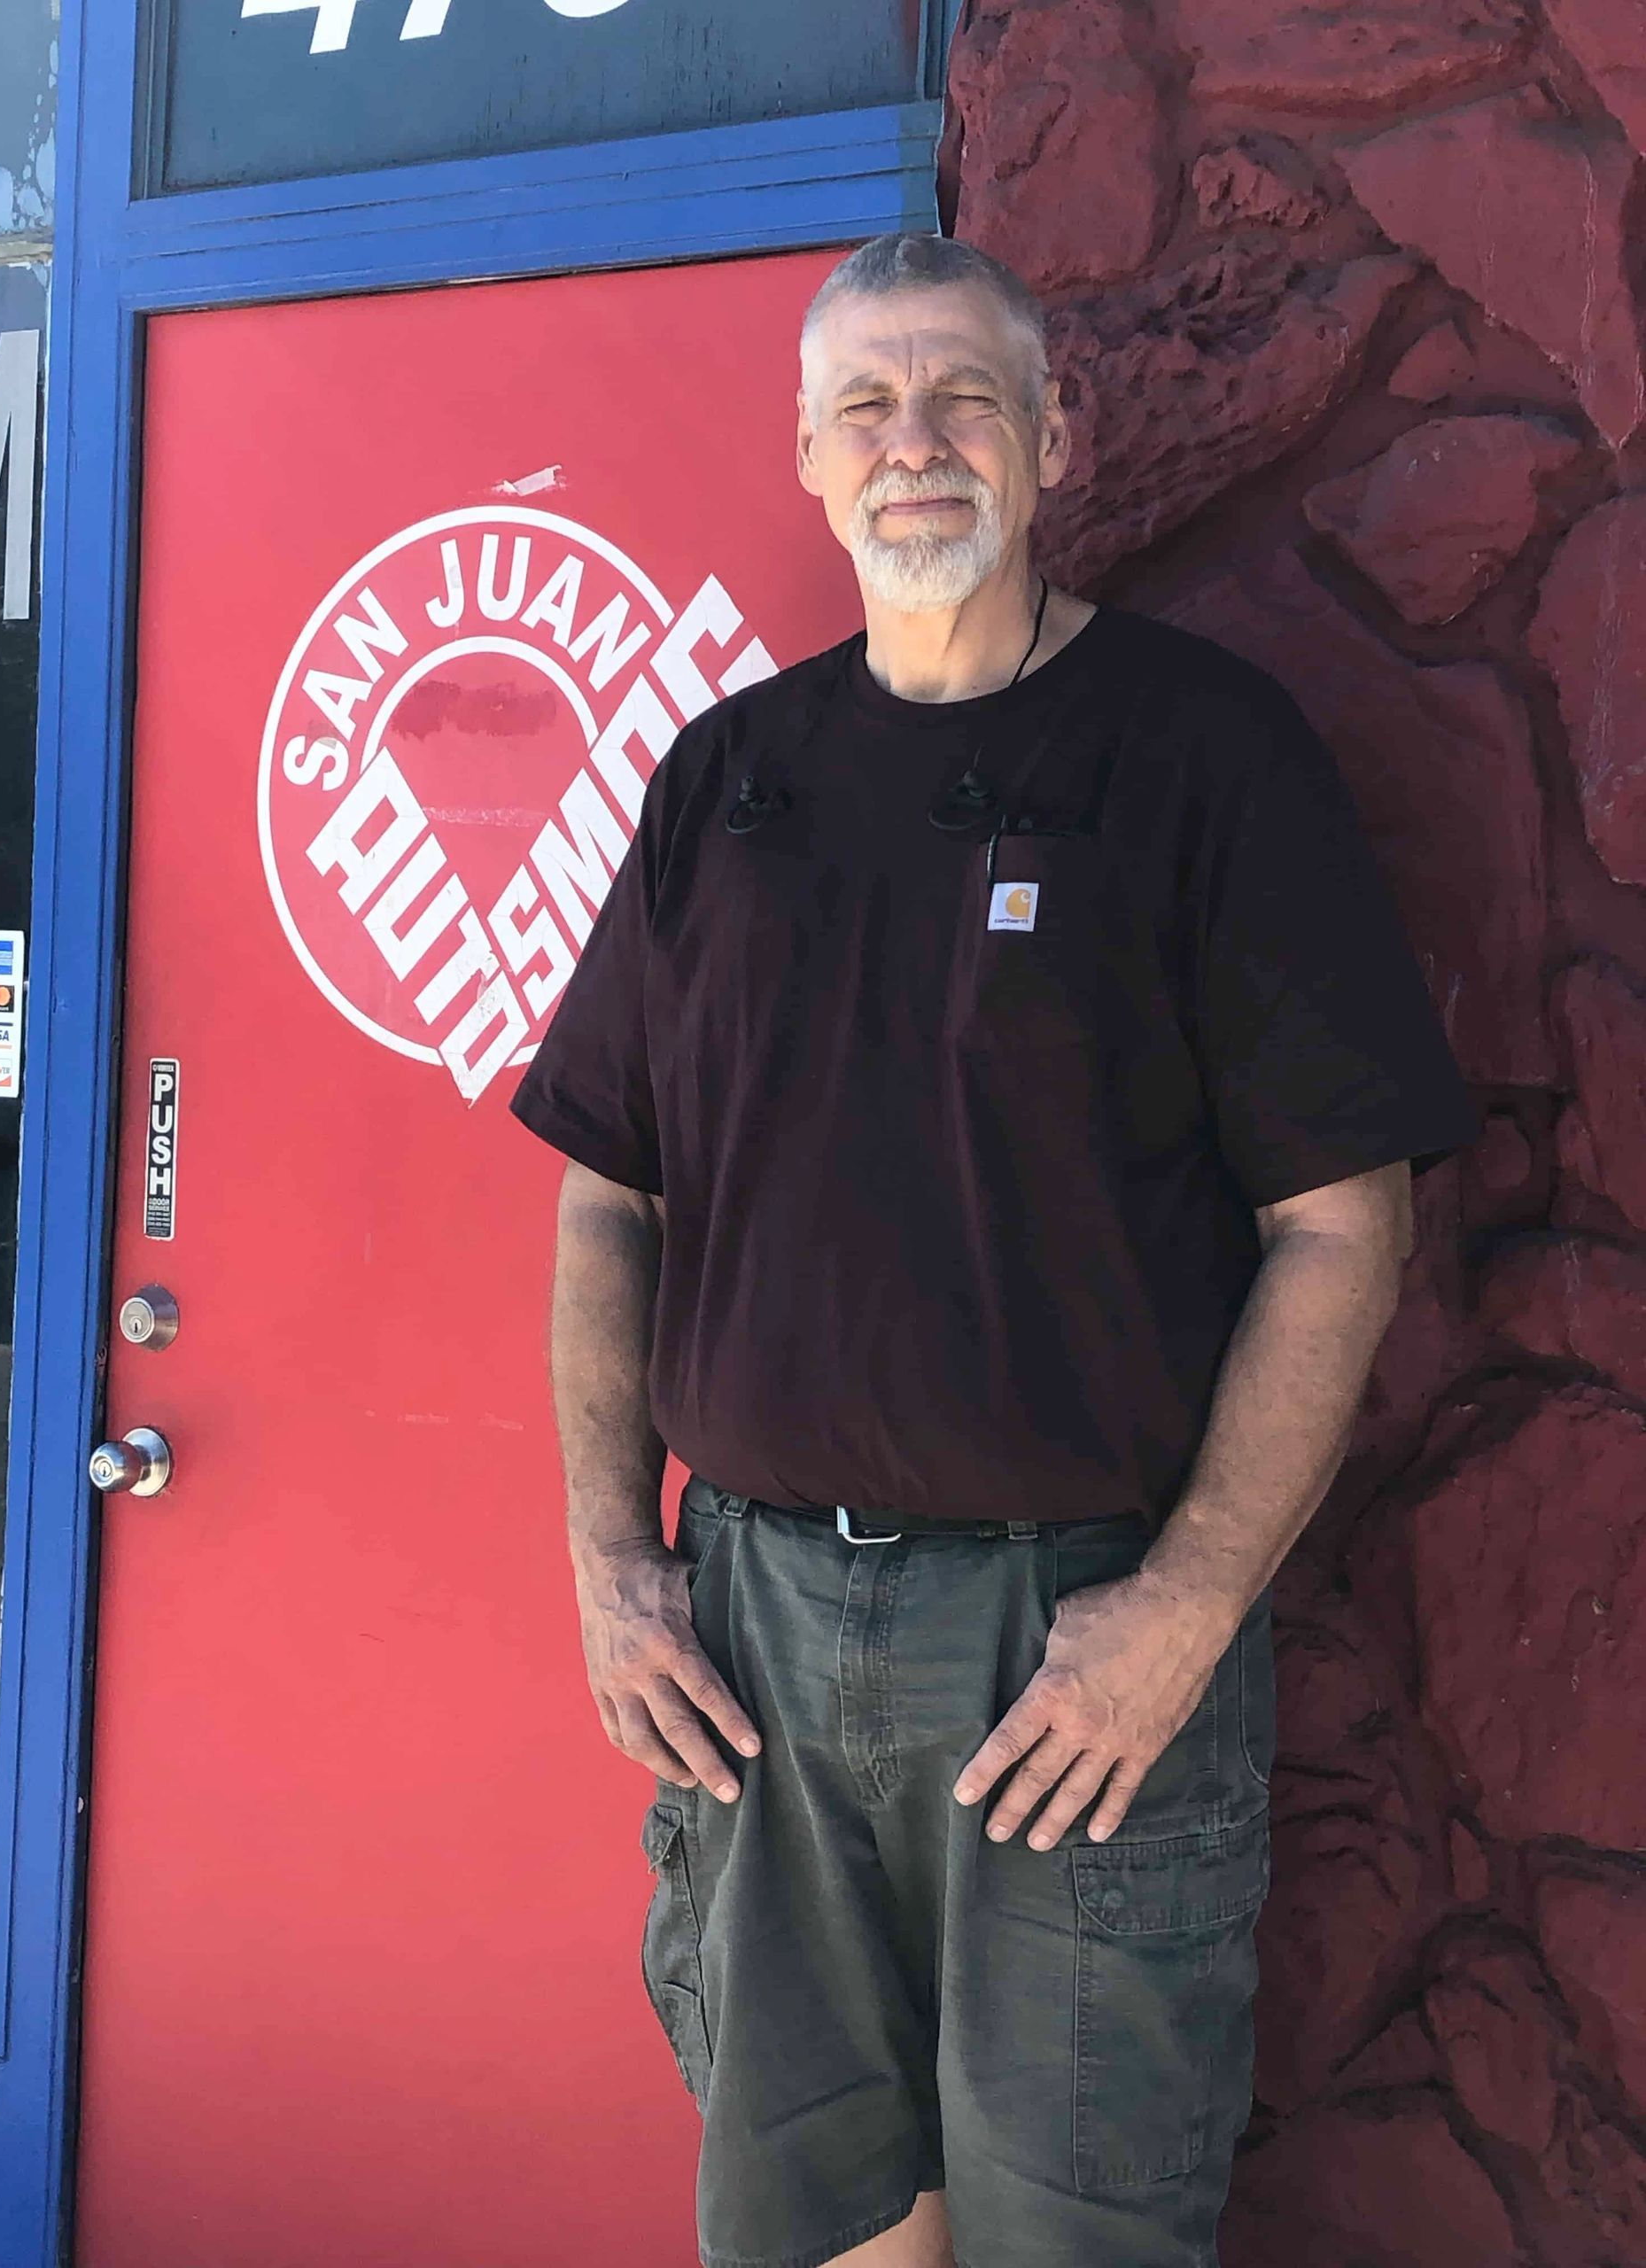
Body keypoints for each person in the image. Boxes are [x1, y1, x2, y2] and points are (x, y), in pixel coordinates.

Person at [509, 232, 1479, 2268]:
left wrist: (1189, 1603)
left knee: (1077, 2230)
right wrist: (615, 1557)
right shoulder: (726, 780)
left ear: (1055, 434)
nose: (914, 444)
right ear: (804, 453)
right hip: (752, 1631)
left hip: (1075, 1656)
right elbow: (611, 1189)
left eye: (962, 397)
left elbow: (1341, 1221)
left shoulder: (1200, 758)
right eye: (865, 404)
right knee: (817, 2218)